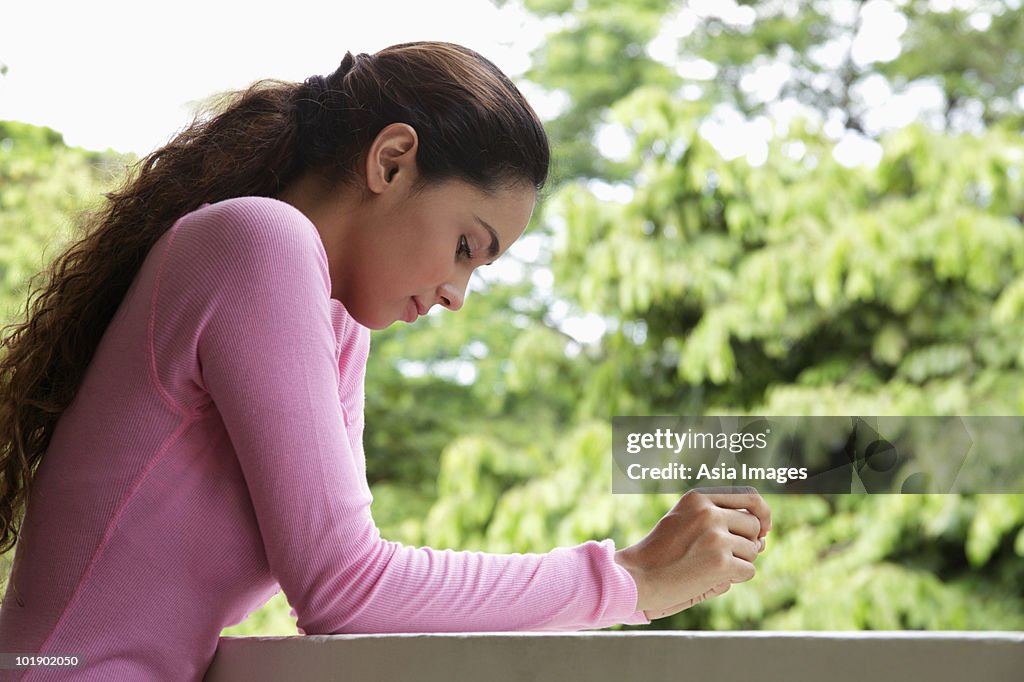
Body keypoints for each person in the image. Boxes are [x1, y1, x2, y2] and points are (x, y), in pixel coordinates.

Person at [0, 42, 770, 680]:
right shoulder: (258, 241)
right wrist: (627, 580)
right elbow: (345, 588)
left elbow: (357, 573)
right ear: (393, 161)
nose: (458, 294)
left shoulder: (336, 319)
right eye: (467, 246)